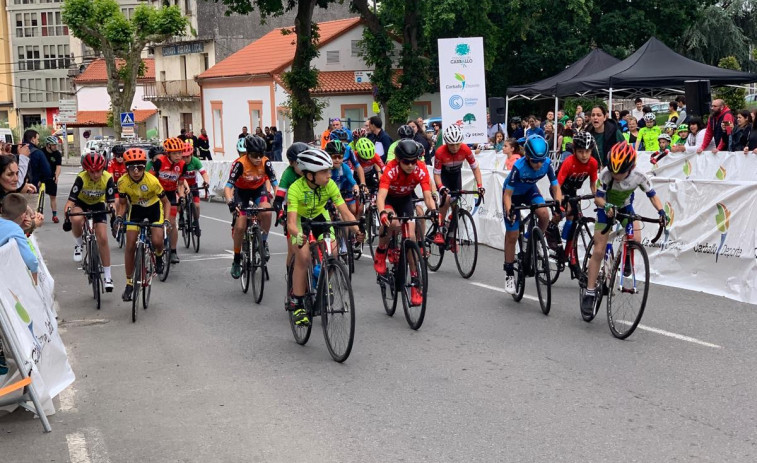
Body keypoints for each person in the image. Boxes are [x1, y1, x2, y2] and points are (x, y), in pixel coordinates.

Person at [581, 141, 666, 316]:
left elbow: (653, 196)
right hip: (606, 208)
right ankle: (589, 293)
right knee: (598, 250)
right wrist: (605, 207)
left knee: (636, 237)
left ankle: (628, 256)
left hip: (625, 208)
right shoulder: (605, 174)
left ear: (631, 167)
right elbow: (598, 199)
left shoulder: (639, 176)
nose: (617, 176)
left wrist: (661, 211)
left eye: (621, 172)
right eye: (614, 171)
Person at [286, 148, 362, 326]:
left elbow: (345, 213)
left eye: (329, 170)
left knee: (333, 252)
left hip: (320, 216)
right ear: (310, 174)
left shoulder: (330, 185)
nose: (329, 174)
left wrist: (357, 231)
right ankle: (297, 303)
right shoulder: (295, 188)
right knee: (303, 257)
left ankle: (321, 277)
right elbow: (290, 223)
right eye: (324, 171)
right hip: (300, 222)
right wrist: (298, 235)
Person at [373, 140, 436, 305]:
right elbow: (381, 196)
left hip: (406, 199)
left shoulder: (420, 168)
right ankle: (381, 251)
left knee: (411, 237)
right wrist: (382, 213)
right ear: (398, 159)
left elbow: (428, 196)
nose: (410, 165)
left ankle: (415, 283)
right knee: (392, 223)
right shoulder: (390, 169)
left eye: (413, 161)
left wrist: (434, 211)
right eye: (406, 162)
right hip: (389, 199)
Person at [502, 135, 563, 294]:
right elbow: (507, 195)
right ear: (527, 156)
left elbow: (555, 186)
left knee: (544, 214)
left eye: (541, 160)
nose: (539, 164)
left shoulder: (546, 164)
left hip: (529, 191)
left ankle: (533, 239)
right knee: (512, 235)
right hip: (512, 195)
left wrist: (558, 203)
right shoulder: (519, 167)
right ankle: (509, 273)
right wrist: (509, 211)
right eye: (535, 161)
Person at [114, 148, 170, 301]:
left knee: (158, 241)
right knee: (130, 245)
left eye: (140, 167)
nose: (136, 171)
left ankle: (159, 256)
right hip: (136, 209)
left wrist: (165, 220)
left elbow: (166, 202)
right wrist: (119, 217)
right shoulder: (122, 182)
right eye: (132, 168)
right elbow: (124, 205)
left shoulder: (152, 181)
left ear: (144, 167)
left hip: (154, 209)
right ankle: (129, 283)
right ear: (127, 168)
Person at [62, 152, 115, 291]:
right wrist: (67, 215)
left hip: (98, 204)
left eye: (98, 171)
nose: (96, 175)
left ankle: (108, 276)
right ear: (86, 170)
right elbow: (70, 202)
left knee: (103, 238)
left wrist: (113, 211)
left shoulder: (108, 178)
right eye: (92, 172)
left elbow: (111, 202)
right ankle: (79, 244)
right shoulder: (81, 178)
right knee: (77, 218)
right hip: (81, 203)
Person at [226, 135, 277, 279]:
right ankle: (236, 259)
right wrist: (231, 202)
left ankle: (264, 243)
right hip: (241, 193)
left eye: (261, 154)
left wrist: (279, 200)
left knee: (266, 212)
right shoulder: (240, 164)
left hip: (257, 190)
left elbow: (274, 183)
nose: (258, 158)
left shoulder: (266, 163)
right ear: (247, 153)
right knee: (240, 226)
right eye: (255, 155)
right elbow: (228, 187)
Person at [432, 125, 485, 247]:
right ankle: (439, 231)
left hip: (456, 176)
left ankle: (451, 234)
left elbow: (475, 168)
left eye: (457, 144)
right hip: (443, 177)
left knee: (456, 206)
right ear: (446, 143)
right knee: (446, 201)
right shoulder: (440, 152)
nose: (455, 147)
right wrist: (441, 187)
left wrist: (480, 186)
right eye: (451, 145)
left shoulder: (465, 149)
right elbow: (436, 174)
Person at [551, 131, 598, 248]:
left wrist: (598, 197)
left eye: (587, 152)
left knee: (572, 219)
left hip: (572, 191)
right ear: (574, 151)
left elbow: (593, 184)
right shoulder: (569, 162)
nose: (584, 155)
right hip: (559, 188)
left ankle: (565, 246)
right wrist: (560, 200)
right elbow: (557, 184)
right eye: (580, 152)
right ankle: (550, 229)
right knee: (566, 210)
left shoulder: (593, 163)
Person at [147, 138, 190, 264]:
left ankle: (173, 251)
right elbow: (149, 179)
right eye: (175, 153)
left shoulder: (182, 165)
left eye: (180, 152)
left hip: (170, 194)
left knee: (171, 223)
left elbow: (181, 184)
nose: (178, 156)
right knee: (155, 222)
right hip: (156, 194)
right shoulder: (159, 162)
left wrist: (181, 196)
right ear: (168, 153)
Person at [0, 194, 39, 283]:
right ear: (23, 216)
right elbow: (29, 258)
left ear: (2, 210)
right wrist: (34, 271)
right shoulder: (16, 230)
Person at [179, 141, 210, 235]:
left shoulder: (195, 161)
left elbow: (203, 173)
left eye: (187, 156)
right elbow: (181, 177)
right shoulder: (180, 163)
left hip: (193, 185)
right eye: (183, 157)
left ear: (191, 155)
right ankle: (181, 217)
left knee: (196, 206)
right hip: (181, 184)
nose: (185, 159)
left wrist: (206, 181)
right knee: (182, 200)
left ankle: (195, 222)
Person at [325, 140, 359, 217]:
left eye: (340, 157)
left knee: (352, 211)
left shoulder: (345, 168)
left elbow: (354, 183)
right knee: (330, 215)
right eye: (334, 157)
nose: (337, 160)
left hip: (343, 190)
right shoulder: (324, 169)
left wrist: (356, 190)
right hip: (328, 193)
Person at [41, 136, 62, 223]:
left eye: (56, 145)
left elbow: (58, 166)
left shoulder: (57, 154)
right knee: (39, 195)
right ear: (48, 145)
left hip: (51, 176)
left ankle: (54, 216)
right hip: (41, 176)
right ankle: (37, 213)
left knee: (53, 197)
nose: (55, 147)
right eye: (53, 145)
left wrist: (56, 176)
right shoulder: (41, 152)